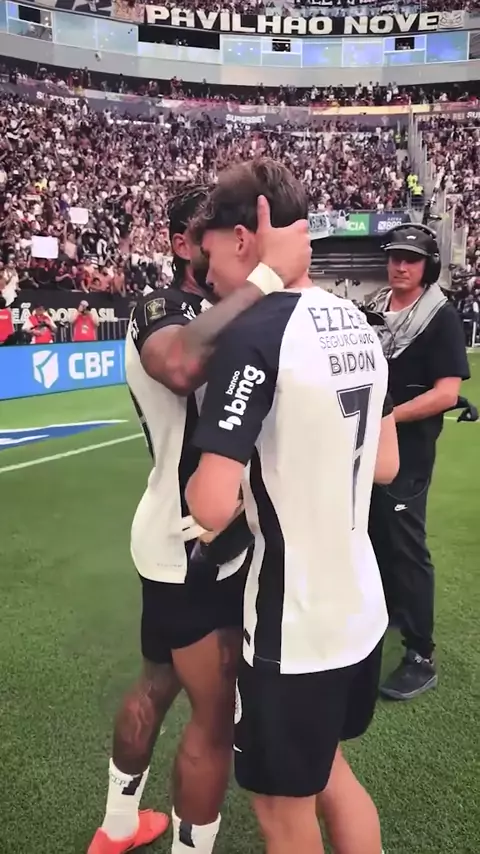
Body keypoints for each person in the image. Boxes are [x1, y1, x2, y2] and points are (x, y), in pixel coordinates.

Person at [87, 183, 312, 854]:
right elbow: (181, 364)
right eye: (206, 232)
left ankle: (118, 826)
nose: (221, 246)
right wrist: (267, 279)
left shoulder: (222, 306)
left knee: (156, 684)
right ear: (182, 243)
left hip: (183, 536)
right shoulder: (163, 307)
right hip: (195, 543)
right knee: (213, 721)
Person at [185, 158, 399, 854]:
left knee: (282, 813)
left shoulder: (253, 333)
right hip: (361, 610)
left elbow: (210, 505)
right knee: (330, 772)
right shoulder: (358, 321)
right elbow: (386, 465)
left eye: (210, 254)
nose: (207, 275)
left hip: (293, 627)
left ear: (244, 237)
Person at [367, 224, 470, 700]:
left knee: (407, 547)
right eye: (395, 257)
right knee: (374, 536)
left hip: (407, 450)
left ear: (428, 266)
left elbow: (446, 394)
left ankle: (421, 655)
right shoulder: (374, 306)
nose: (400, 265)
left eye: (411, 259)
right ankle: (386, 613)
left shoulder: (440, 316)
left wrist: (388, 417)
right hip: (370, 447)